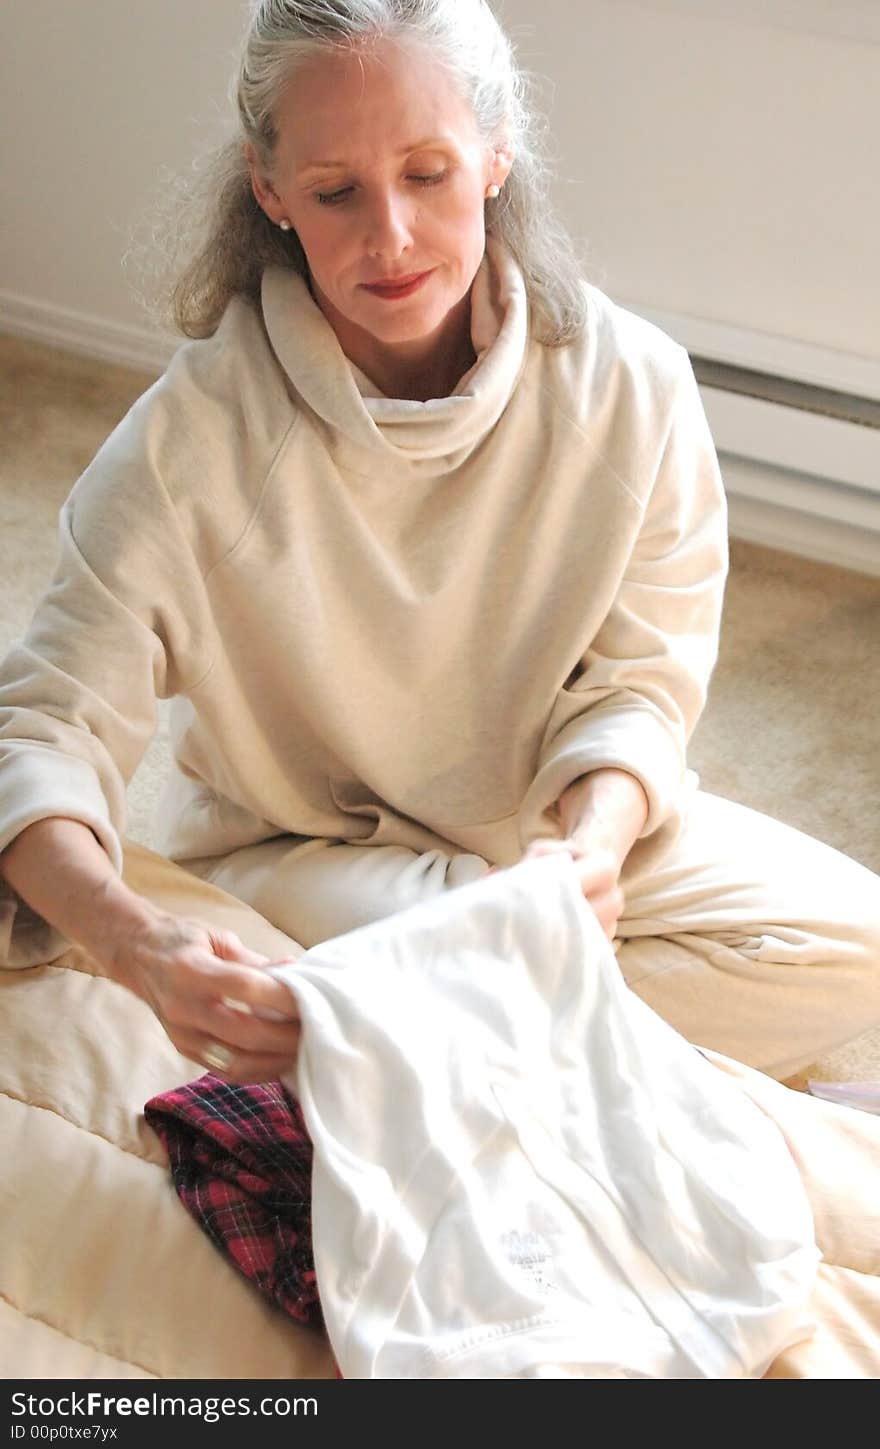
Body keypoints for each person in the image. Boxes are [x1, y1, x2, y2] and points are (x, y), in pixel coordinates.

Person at [1, 0, 878, 1091]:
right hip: (308, 863)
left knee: (855, 947)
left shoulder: (632, 386)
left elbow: (641, 680)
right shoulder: (191, 443)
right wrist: (138, 946)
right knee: (389, 959)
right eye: (334, 191)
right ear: (269, 191)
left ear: (498, 153)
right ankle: (549, 1058)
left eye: (427, 172)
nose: (391, 237)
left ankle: (402, 1052)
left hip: (542, 847)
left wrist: (594, 849)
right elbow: (39, 731)